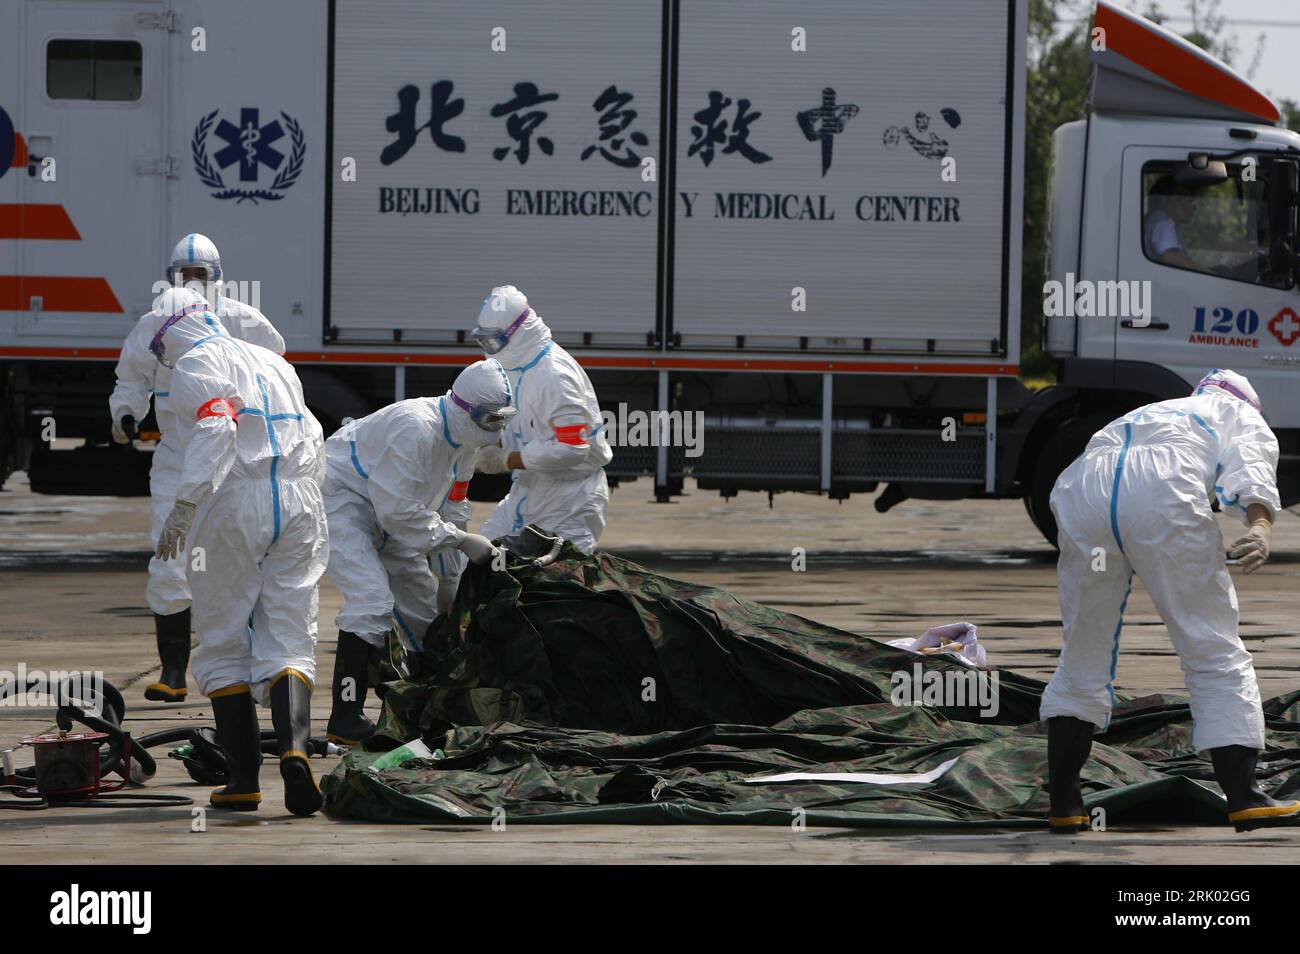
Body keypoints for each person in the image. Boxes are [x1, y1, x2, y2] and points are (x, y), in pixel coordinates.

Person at [1042, 369, 1300, 833]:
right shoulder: (1239, 412)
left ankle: (1064, 803)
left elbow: (1090, 460)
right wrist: (1260, 525)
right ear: (1250, 402)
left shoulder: (1151, 411)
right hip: (1161, 496)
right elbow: (1252, 467)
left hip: (1085, 496)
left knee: (1083, 650)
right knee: (1211, 646)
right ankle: (1245, 796)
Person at [150, 287, 327, 816]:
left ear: (173, 334)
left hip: (233, 500)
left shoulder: (196, 365)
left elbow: (216, 423)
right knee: (290, 630)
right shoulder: (273, 362)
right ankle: (295, 747)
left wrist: (185, 504)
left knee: (223, 636)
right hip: (298, 500)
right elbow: (311, 430)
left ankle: (244, 779)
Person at [109, 233, 285, 704]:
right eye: (183, 275)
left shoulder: (243, 321)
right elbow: (131, 376)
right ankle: (173, 671)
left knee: (240, 559)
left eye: (199, 275)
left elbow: (274, 363)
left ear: (218, 276)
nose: (191, 283)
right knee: (170, 561)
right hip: (177, 456)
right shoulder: (157, 322)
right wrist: (126, 413)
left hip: (235, 458)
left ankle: (244, 667)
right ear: (169, 277)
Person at [322, 360, 514, 745]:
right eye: (492, 419)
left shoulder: (463, 443)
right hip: (342, 501)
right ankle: (344, 717)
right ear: (467, 409)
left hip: (390, 512)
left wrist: (448, 577)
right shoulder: (416, 428)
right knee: (371, 600)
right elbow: (398, 514)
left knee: (427, 616)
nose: (498, 428)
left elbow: (452, 509)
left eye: (503, 419)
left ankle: (427, 705)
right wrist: (460, 543)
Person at [470, 286, 612, 554]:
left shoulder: (554, 376)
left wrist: (505, 460)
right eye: (483, 341)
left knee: (553, 588)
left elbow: (572, 448)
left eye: (494, 341)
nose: (489, 349)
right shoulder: (517, 369)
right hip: (527, 489)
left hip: (569, 501)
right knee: (478, 565)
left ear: (518, 333)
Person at [1144, 176, 1204, 271]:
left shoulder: (1165, 222)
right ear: (1164, 199)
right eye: (1181, 198)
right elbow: (1170, 257)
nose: (1188, 205)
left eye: (1190, 200)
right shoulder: (1163, 223)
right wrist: (1209, 273)